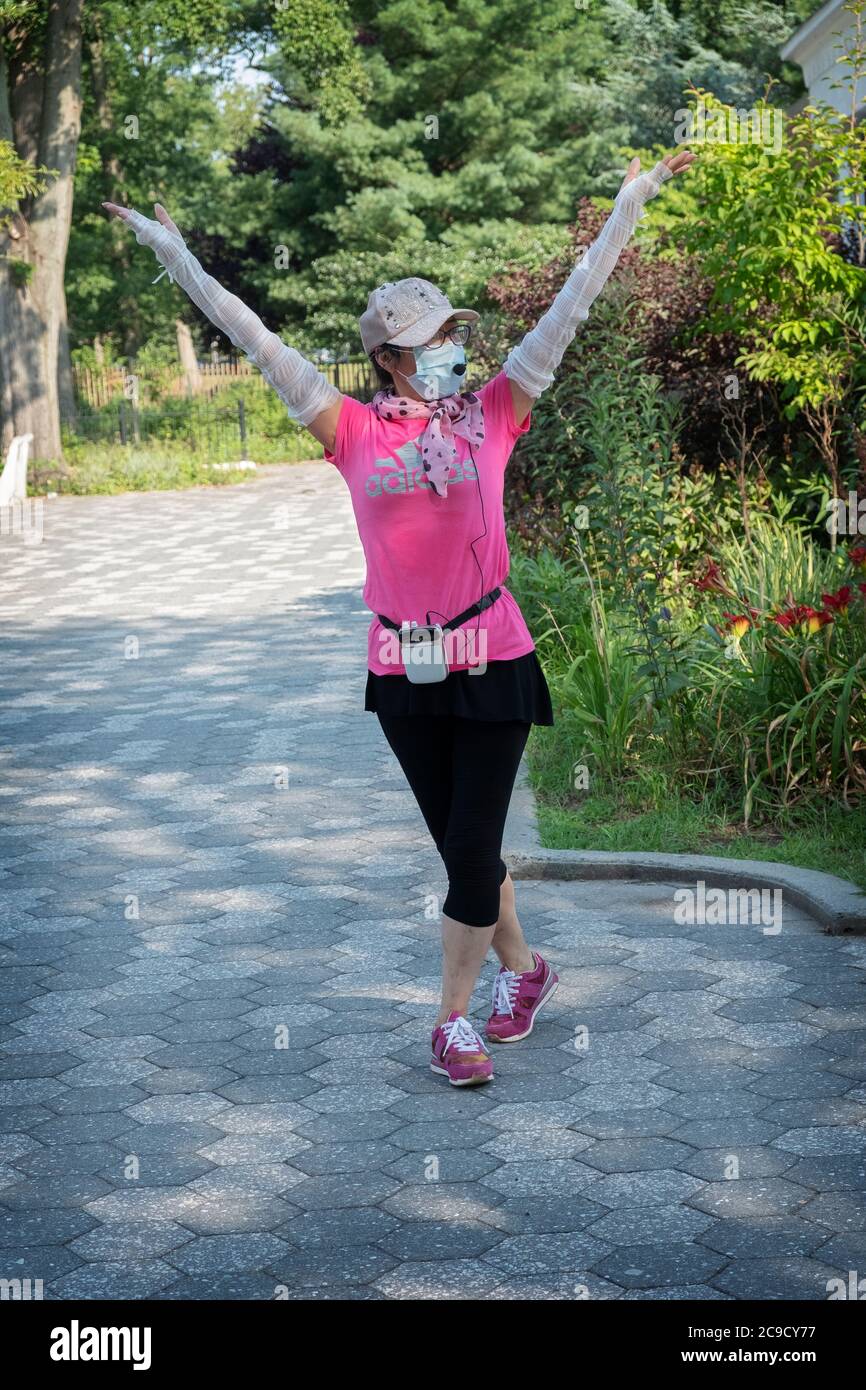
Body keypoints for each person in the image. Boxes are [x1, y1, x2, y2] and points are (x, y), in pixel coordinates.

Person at [104, 147, 694, 1088]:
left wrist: (627, 206)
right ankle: (528, 974)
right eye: (428, 340)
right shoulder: (349, 429)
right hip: (403, 667)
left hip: (493, 655)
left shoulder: (496, 409)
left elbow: (570, 307)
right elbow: (254, 337)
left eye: (452, 332)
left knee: (467, 853)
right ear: (387, 355)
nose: (450, 349)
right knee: (471, 850)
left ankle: (451, 1023)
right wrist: (178, 257)